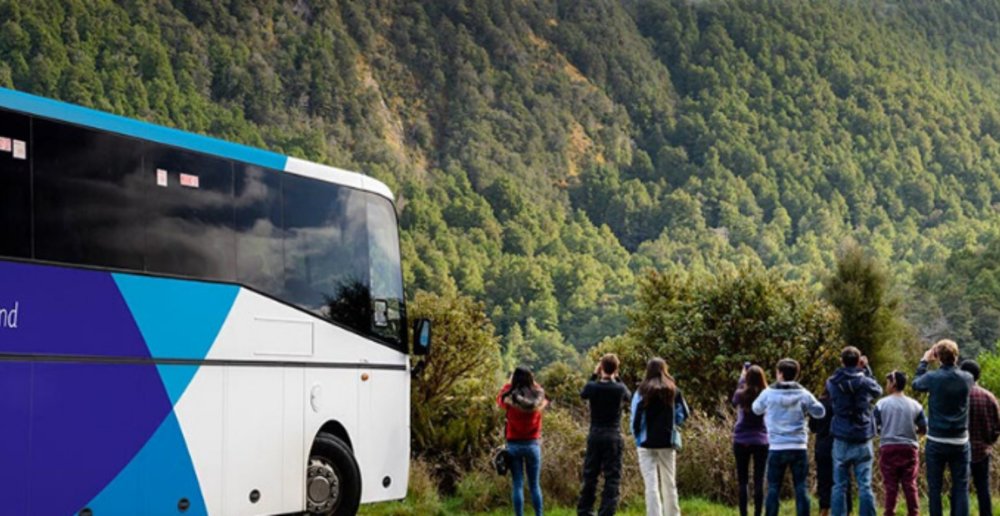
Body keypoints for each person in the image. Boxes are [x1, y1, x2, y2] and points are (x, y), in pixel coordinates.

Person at [752, 358, 825, 516]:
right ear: (796, 375)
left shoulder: (768, 393)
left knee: (773, 487)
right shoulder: (803, 393)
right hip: (798, 446)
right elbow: (820, 412)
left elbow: (756, 409)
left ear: (780, 373)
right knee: (801, 486)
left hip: (776, 447)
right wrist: (808, 409)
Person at [912, 339, 975, 516]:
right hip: (960, 440)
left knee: (935, 488)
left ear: (938, 356)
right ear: (956, 356)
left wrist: (924, 361)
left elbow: (916, 383)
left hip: (937, 440)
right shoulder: (967, 378)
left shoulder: (932, 378)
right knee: (961, 487)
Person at [826, 347, 882, 516]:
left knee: (839, 485)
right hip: (862, 436)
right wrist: (866, 369)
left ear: (841, 361)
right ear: (858, 361)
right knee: (864, 484)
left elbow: (835, 380)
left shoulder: (832, 382)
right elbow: (878, 390)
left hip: (842, 436)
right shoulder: (865, 381)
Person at [630, 358, 688, 516]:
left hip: (645, 442)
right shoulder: (673, 390)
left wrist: (637, 436)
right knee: (669, 483)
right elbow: (685, 413)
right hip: (667, 441)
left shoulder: (641, 391)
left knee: (651, 485)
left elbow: (635, 416)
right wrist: (674, 423)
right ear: (664, 370)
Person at [577, 354, 631, 516]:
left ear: (601, 368)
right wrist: (617, 377)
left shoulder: (593, 387)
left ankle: (585, 510)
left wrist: (594, 375)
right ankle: (606, 512)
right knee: (612, 476)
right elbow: (629, 397)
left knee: (590, 474)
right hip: (613, 434)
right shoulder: (619, 388)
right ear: (616, 369)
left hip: (595, 433)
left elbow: (583, 393)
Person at [498, 366, 549, 516]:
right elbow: (542, 397)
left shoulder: (510, 396)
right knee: (534, 485)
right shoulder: (536, 396)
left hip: (513, 444)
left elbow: (499, 400)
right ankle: (539, 514)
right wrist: (531, 382)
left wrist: (510, 383)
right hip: (532, 444)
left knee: (518, 484)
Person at [874, 371, 927, 516]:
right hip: (909, 448)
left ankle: (889, 512)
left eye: (887, 382)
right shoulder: (915, 405)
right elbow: (923, 428)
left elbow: (874, 426)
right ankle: (914, 513)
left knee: (890, 486)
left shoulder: (881, 404)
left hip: (888, 447)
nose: (886, 386)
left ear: (893, 384)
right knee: (910, 485)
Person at [959, 359, 1000, 516]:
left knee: (960, 488)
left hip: (960, 449)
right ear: (977, 376)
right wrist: (989, 441)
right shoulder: (989, 397)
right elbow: (997, 426)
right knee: (983, 488)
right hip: (982, 450)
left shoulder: (958, 396)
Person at [732, 363, 768, 516]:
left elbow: (734, 401)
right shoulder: (766, 394)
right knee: (759, 479)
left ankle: (743, 513)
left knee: (743, 481)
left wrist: (742, 378)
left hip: (741, 440)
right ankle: (758, 513)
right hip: (761, 440)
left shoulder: (741, 394)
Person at [810, 388, 853, 516]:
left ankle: (824, 510)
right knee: (844, 480)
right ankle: (846, 510)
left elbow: (812, 427)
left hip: (823, 446)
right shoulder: (843, 404)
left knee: (824, 480)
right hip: (841, 444)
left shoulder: (819, 404)